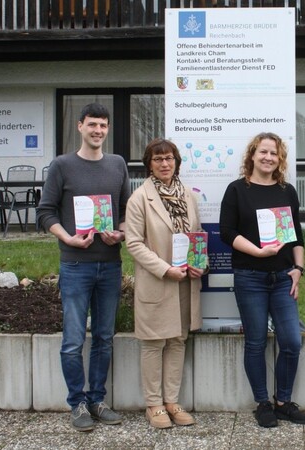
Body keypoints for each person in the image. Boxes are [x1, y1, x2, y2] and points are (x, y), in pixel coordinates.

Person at [36, 103, 130, 432]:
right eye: (92, 125)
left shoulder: (117, 164)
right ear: (80, 127)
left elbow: (124, 213)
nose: (98, 131)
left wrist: (120, 232)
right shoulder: (62, 166)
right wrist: (68, 238)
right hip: (75, 264)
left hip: (110, 264)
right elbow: (46, 212)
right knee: (73, 340)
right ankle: (77, 403)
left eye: (103, 126)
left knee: (104, 337)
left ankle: (97, 399)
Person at [219, 132, 305, 428]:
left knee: (291, 341)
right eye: (263, 152)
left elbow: (296, 236)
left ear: (280, 159)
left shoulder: (287, 192)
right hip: (250, 277)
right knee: (256, 342)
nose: (269, 157)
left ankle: (283, 401)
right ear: (253, 155)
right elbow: (227, 233)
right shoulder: (236, 190)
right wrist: (258, 252)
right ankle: (262, 403)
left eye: (274, 153)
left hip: (283, 278)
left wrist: (299, 269)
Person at [125, 139, 204, 429]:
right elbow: (133, 243)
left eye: (169, 158)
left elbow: (196, 233)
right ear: (149, 164)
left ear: (177, 161)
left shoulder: (188, 195)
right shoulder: (139, 199)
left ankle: (172, 401)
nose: (164, 164)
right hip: (158, 281)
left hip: (184, 281)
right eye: (158, 159)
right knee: (154, 341)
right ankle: (154, 404)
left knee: (177, 339)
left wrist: (199, 262)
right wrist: (165, 269)